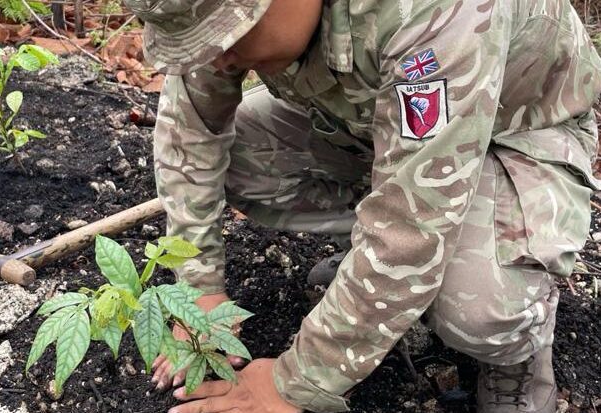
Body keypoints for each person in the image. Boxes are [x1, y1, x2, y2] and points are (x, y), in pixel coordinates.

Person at [123, 0, 601, 412]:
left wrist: (292, 381)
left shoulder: (432, 12)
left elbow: (415, 220)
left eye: (227, 33)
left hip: (515, 134)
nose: (218, 58)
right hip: (378, 129)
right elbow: (190, 138)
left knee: (481, 313)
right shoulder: (238, 27)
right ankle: (374, 275)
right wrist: (200, 290)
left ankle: (517, 354)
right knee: (242, 158)